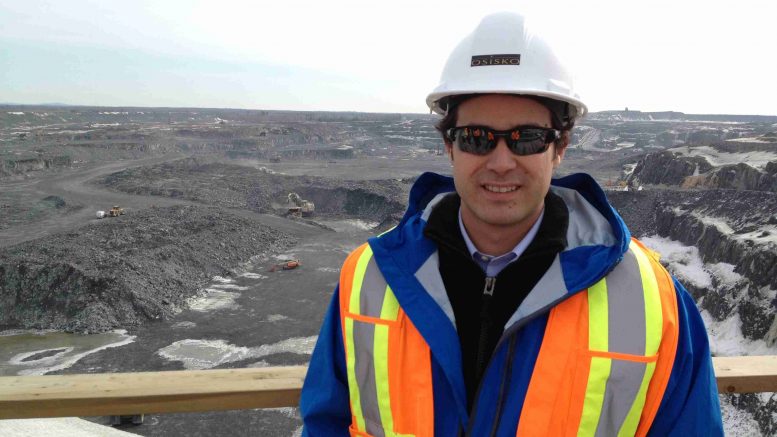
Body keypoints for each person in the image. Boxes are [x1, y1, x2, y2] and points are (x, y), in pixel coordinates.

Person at [300, 12, 723, 436]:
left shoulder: (653, 303)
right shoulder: (369, 279)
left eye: (527, 138)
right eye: (477, 138)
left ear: (560, 148)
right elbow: (326, 423)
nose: (501, 163)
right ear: (450, 146)